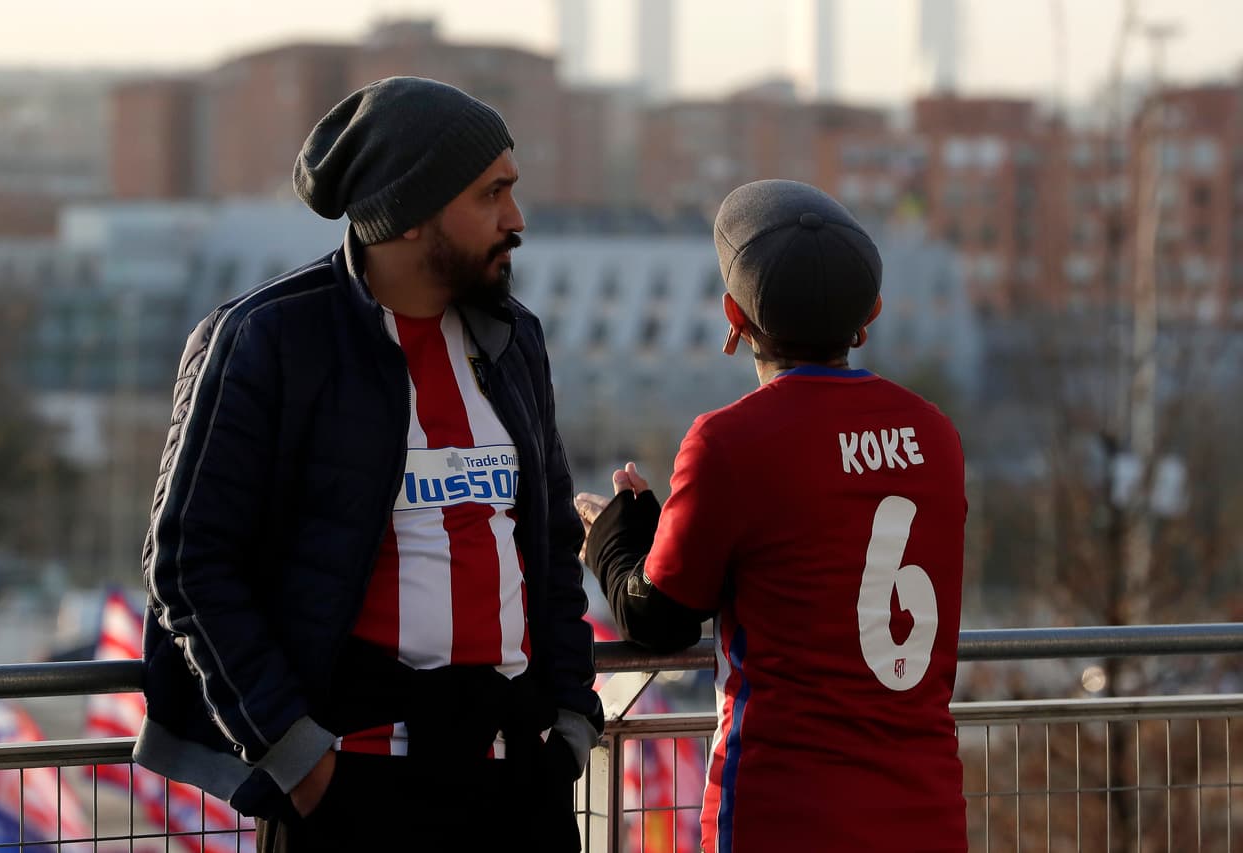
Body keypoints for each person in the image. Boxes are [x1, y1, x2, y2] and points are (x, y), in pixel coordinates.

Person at [133, 77, 603, 851]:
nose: (515, 219)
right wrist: (300, 762)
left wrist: (573, 720)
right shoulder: (266, 340)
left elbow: (552, 543)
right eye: (491, 194)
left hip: (520, 781)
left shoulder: (514, 339)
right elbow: (188, 565)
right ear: (412, 214)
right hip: (353, 789)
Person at [576, 180, 968, 852]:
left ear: (734, 314)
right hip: (926, 812)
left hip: (781, 813)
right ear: (868, 315)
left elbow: (661, 616)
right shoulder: (935, 434)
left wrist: (613, 537)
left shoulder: (731, 442)